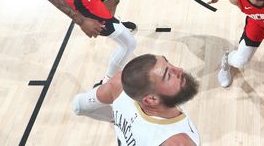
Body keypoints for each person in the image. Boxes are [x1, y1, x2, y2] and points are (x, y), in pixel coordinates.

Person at [73, 53, 201, 145]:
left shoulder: (118, 85)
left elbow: (78, 106)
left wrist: (115, 118)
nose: (179, 70)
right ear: (151, 99)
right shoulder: (177, 141)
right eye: (168, 75)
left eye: (168, 62)